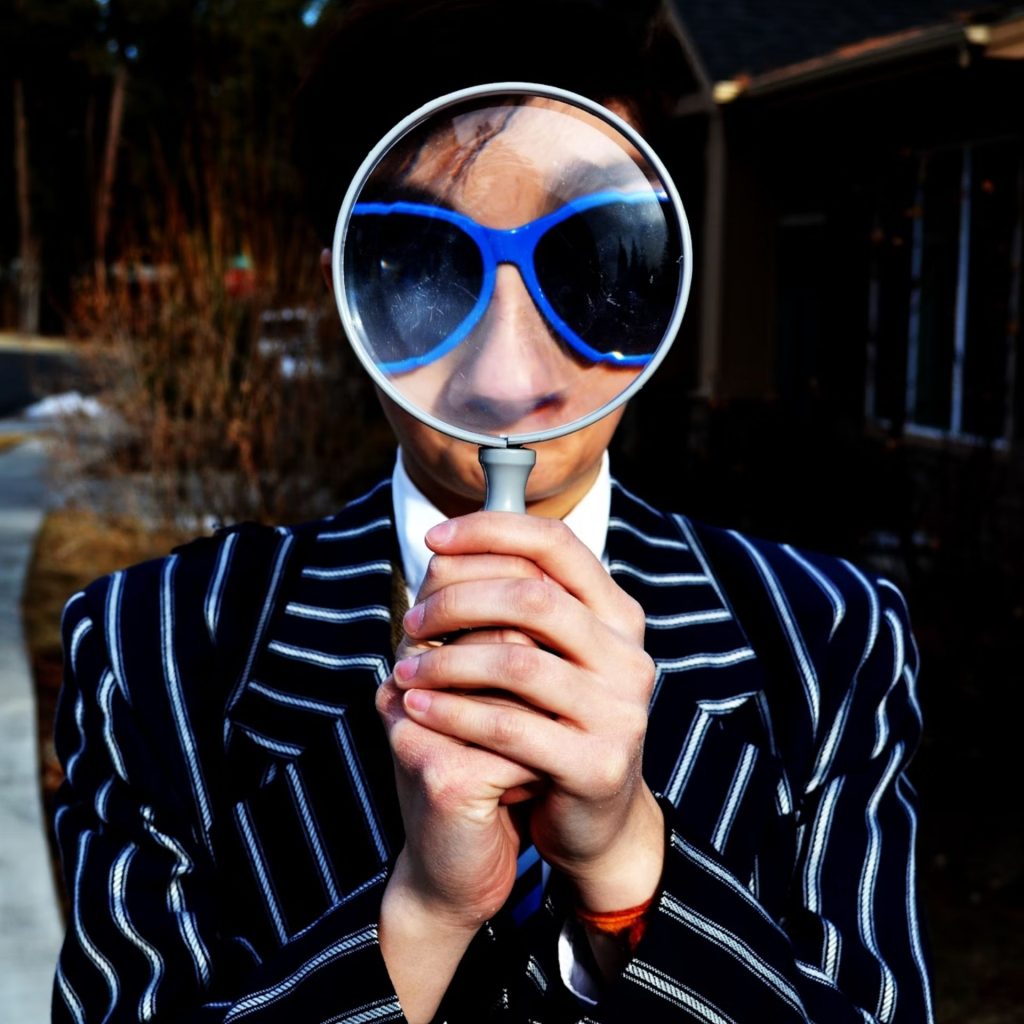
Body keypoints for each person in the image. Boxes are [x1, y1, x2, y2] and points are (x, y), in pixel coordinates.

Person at [51, 1, 933, 1022]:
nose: (507, 378)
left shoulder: (828, 642)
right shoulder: (153, 647)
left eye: (589, 253)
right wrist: (421, 913)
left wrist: (631, 868)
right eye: (425, 264)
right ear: (347, 289)